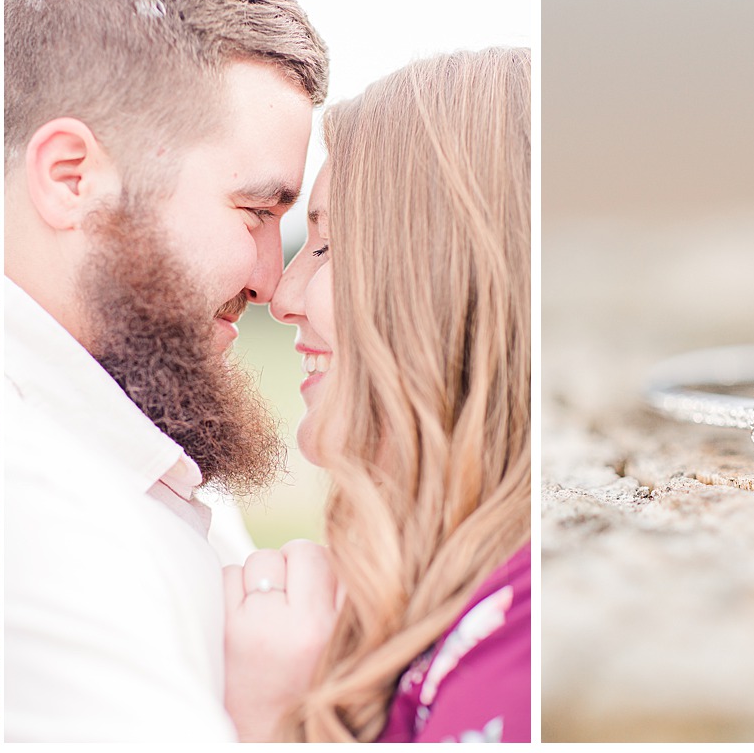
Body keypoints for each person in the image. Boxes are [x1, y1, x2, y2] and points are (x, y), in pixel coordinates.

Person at [3, 0, 329, 743]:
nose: (269, 282)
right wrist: (270, 724)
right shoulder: (44, 532)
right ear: (73, 177)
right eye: (255, 211)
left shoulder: (141, 440)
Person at [222, 49, 531, 743]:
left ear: (449, 275)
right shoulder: (446, 591)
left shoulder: (520, 654)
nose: (282, 294)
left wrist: (270, 726)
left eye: (327, 247)